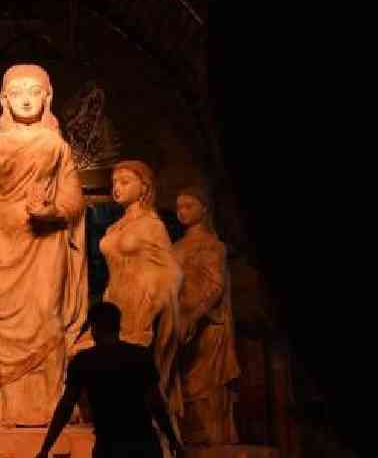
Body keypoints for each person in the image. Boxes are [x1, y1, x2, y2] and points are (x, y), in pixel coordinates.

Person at [0, 64, 88, 426]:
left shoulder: (57, 147)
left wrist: (52, 211)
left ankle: (49, 406)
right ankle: (7, 407)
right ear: (4, 100)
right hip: (3, 242)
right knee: (6, 328)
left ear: (47, 97)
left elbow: (74, 199)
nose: (25, 97)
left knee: (46, 318)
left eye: (34, 90)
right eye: (17, 91)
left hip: (46, 241)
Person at [35, 302, 185, 458]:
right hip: (143, 443)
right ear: (118, 327)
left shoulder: (84, 361)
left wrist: (46, 448)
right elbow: (156, 403)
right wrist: (173, 440)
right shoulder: (140, 356)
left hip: (109, 445)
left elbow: (65, 406)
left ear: (93, 328)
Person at [97, 160, 182, 398]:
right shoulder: (114, 228)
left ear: (144, 187)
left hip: (140, 304)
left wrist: (153, 299)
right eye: (114, 182)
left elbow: (171, 270)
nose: (117, 187)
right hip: (113, 301)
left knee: (131, 369)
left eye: (125, 182)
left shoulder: (152, 226)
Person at [170, 185, 240, 444]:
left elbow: (215, 286)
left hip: (207, 325)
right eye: (179, 207)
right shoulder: (175, 247)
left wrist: (194, 315)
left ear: (204, 209)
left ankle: (215, 441)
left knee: (207, 389)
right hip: (181, 326)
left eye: (189, 206)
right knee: (185, 389)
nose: (182, 212)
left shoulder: (213, 245)